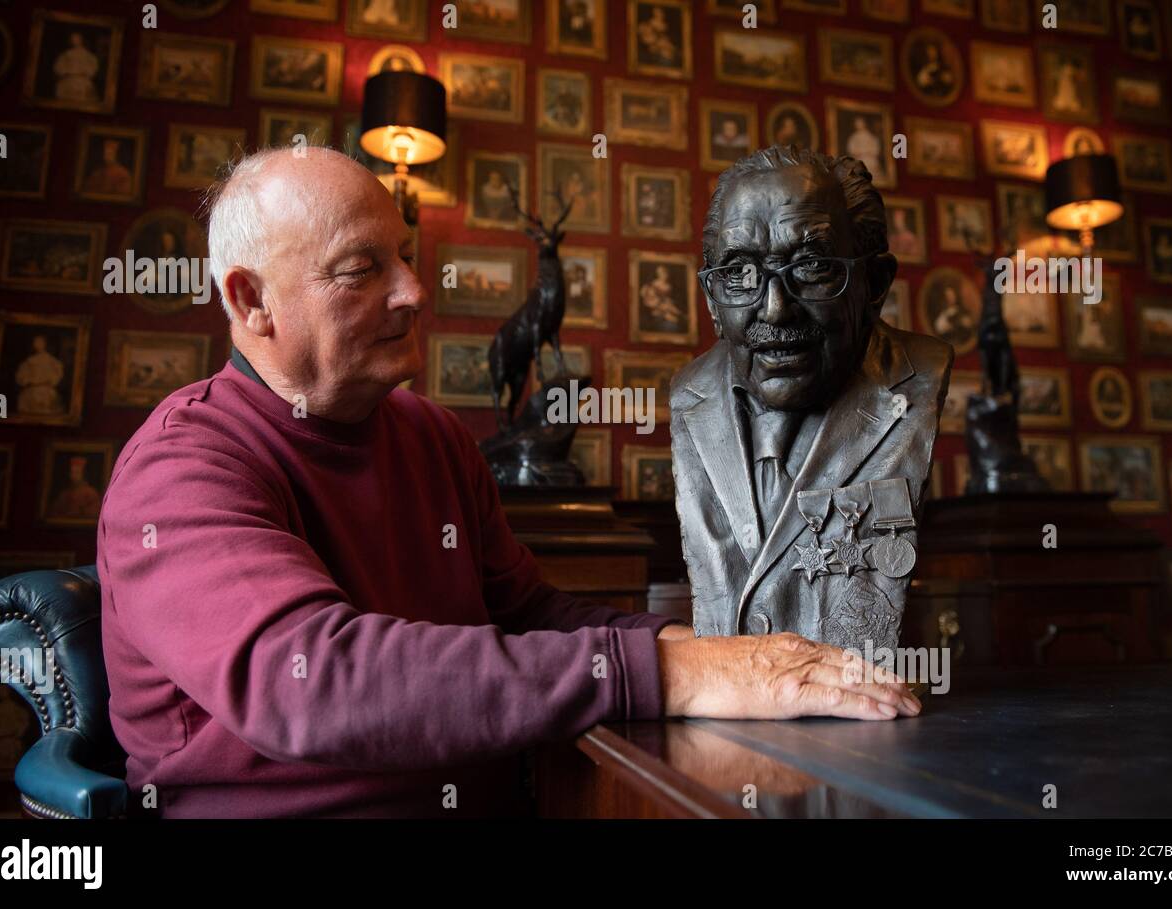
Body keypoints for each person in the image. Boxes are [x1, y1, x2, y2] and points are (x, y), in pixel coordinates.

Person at [99, 147, 919, 819]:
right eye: (362, 269)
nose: (415, 292)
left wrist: (695, 650)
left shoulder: (431, 436)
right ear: (252, 300)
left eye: (407, 259)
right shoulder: (182, 468)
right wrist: (676, 675)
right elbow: (313, 681)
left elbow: (528, 613)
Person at [670, 146, 952, 649]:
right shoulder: (689, 397)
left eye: (812, 266)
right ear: (713, 298)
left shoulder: (918, 380)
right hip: (728, 702)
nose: (776, 309)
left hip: (858, 704)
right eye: (739, 271)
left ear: (874, 284)